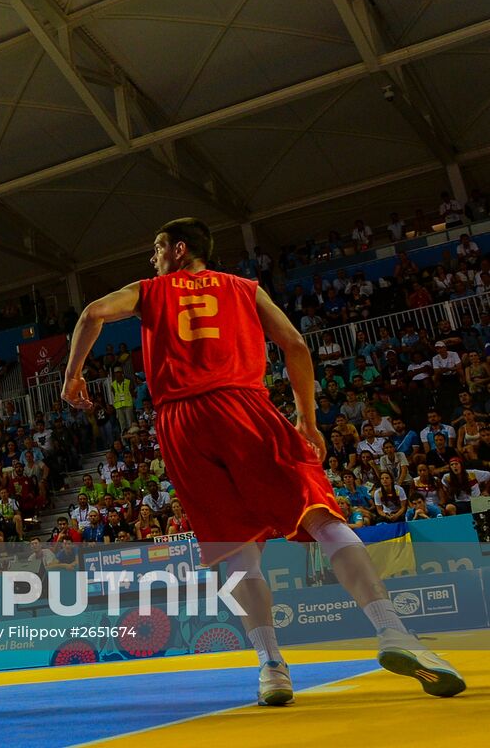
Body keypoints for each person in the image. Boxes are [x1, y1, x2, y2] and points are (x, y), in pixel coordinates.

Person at [63, 216, 464, 706]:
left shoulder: (149, 290)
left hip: (178, 426)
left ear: (179, 249)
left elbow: (92, 314)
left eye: (157, 247)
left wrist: (73, 376)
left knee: (236, 551)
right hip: (240, 406)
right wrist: (307, 418)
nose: (153, 258)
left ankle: (271, 666)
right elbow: (294, 345)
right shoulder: (243, 288)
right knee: (320, 515)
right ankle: (393, 633)